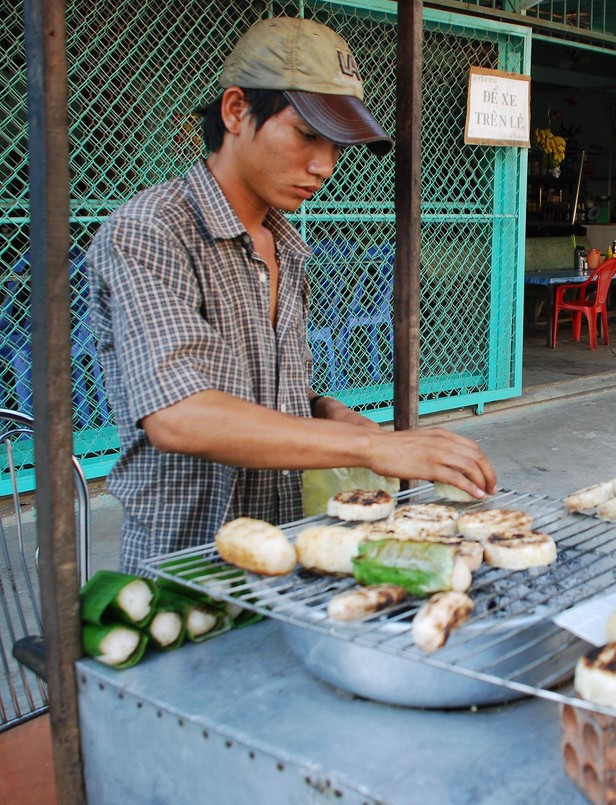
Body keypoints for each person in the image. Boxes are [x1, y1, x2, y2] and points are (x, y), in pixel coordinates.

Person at [86, 17, 497, 574]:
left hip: (287, 551)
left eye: (335, 145)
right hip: (187, 566)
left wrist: (327, 412)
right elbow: (179, 415)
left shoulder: (287, 243)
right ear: (235, 111)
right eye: (307, 134)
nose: (324, 165)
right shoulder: (151, 230)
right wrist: (373, 449)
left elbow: (261, 390)